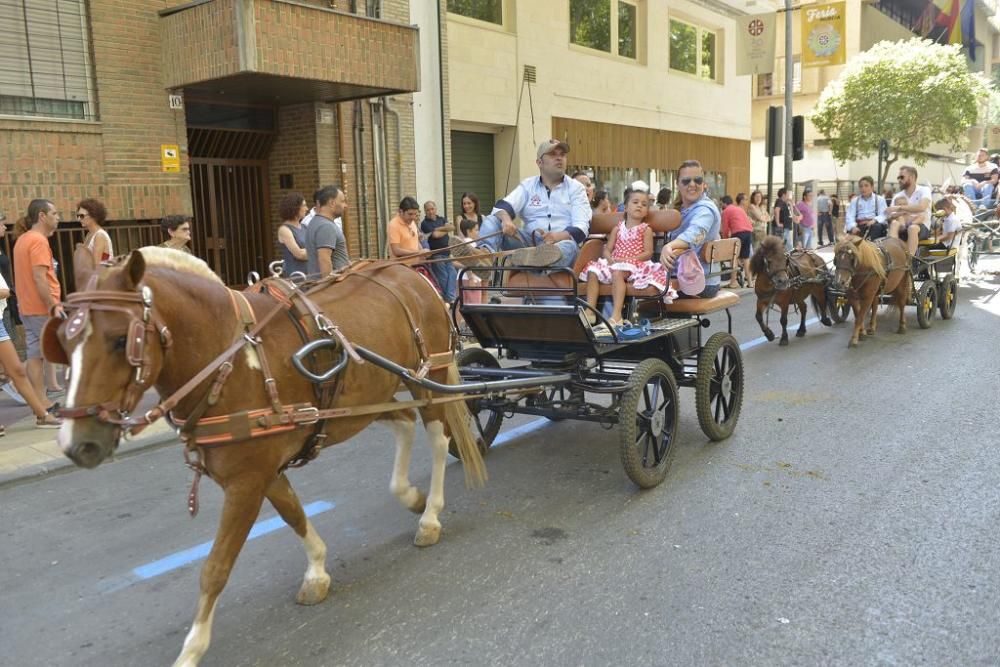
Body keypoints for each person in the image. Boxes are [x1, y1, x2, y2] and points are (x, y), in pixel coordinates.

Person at [477, 139, 591, 269]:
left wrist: (556, 236)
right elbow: (501, 206)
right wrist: (506, 220)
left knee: (568, 246)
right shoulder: (528, 185)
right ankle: (484, 257)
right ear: (539, 162)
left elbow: (582, 228)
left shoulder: (576, 188)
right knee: (493, 220)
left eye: (562, 154)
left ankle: (533, 262)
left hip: (560, 244)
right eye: (553, 154)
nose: (559, 158)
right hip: (528, 244)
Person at [578, 185, 667, 326]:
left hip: (635, 263)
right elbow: (608, 249)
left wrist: (627, 260)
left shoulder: (645, 229)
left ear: (646, 212)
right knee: (592, 271)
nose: (639, 206)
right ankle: (590, 312)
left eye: (644, 204)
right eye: (635, 202)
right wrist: (609, 258)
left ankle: (616, 315)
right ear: (625, 207)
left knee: (618, 273)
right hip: (615, 261)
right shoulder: (617, 228)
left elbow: (648, 253)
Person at [12, 199, 64, 408]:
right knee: (64, 350)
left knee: (35, 356)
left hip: (27, 307)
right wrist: (53, 306)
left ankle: (42, 404)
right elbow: (40, 278)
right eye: (55, 213)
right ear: (42, 216)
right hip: (41, 308)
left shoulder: (23, 239)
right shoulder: (38, 241)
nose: (58, 217)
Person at [659, 159, 722, 298]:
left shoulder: (705, 210)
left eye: (697, 180)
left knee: (640, 295)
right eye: (686, 181)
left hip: (698, 280)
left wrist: (668, 247)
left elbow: (695, 234)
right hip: (684, 276)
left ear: (703, 184)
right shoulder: (680, 209)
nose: (692, 184)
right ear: (678, 184)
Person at [886, 165, 932, 259]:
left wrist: (899, 208)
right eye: (898, 177)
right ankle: (893, 255)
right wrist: (897, 215)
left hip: (921, 225)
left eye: (902, 177)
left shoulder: (924, 190)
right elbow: (890, 215)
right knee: (894, 223)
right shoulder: (898, 195)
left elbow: (922, 207)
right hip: (902, 225)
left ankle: (909, 260)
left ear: (912, 177)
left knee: (912, 228)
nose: (899, 180)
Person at [304, 184, 350, 275]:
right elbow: (324, 259)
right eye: (342, 201)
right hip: (333, 287)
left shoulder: (315, 222)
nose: (345, 205)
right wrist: (329, 285)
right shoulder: (326, 226)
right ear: (332, 203)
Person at [420, 200, 458, 304]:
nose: (430, 212)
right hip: (436, 255)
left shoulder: (441, 218)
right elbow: (436, 235)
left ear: (435, 209)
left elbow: (452, 227)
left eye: (432, 209)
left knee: (453, 273)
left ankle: (449, 298)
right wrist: (445, 230)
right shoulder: (425, 223)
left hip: (447, 252)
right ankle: (450, 299)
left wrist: (438, 229)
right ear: (425, 211)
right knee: (443, 276)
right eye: (428, 210)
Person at [721, 194, 753, 288]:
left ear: (724, 203)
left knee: (733, 257)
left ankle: (733, 282)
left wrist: (726, 240)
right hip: (748, 232)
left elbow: (725, 229)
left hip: (738, 233)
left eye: (721, 203)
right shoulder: (739, 209)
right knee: (746, 258)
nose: (721, 205)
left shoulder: (726, 211)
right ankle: (750, 282)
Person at [276, 192, 309, 276]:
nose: (307, 209)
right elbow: (299, 254)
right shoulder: (284, 230)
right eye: (304, 205)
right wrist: (318, 251)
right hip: (296, 276)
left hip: (311, 274)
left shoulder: (305, 227)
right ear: (295, 208)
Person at [77, 198, 113, 263]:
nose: (79, 219)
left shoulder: (99, 236)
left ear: (93, 215)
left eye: (82, 216)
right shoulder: (89, 234)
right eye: (78, 216)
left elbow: (95, 265)